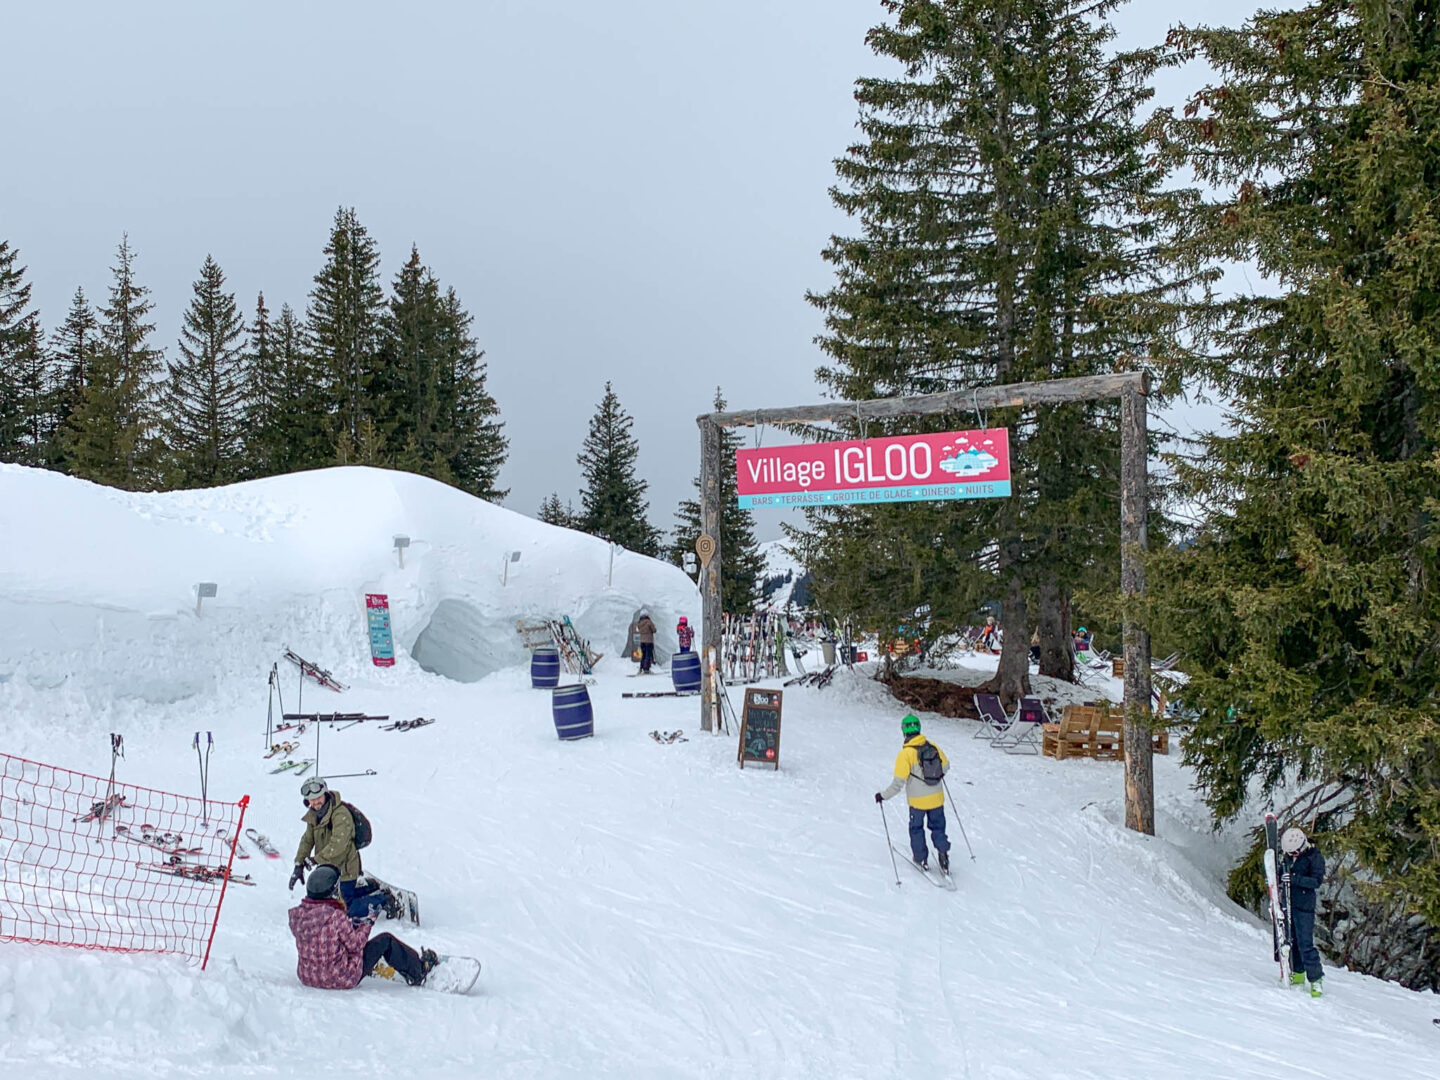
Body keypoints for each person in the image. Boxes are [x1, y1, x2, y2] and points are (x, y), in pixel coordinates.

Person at [288, 864, 437, 989]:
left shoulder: (299, 916)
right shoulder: (334, 916)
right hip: (339, 979)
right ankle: (419, 971)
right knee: (386, 941)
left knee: (343, 940)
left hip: (308, 977)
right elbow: (355, 945)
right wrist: (368, 922)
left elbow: (323, 937)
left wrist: (351, 925)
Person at [290, 776, 389, 920]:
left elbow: (339, 844)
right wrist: (299, 864)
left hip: (345, 868)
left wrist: (316, 859)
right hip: (327, 869)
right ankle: (370, 887)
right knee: (328, 902)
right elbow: (307, 840)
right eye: (311, 799)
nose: (316, 802)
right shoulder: (313, 815)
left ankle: (385, 900)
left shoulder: (340, 814)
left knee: (344, 910)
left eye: (318, 797)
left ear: (325, 793)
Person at [875, 715, 951, 872]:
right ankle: (943, 854)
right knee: (938, 827)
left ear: (904, 731)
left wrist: (883, 795)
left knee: (916, 828)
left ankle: (921, 859)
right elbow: (946, 766)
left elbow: (898, 783)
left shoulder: (905, 754)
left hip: (917, 802)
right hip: (937, 798)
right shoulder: (932, 746)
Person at [1281, 826, 1326, 996]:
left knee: (1305, 943)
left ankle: (1315, 979)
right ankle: (1297, 973)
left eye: (1293, 853)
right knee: (1291, 940)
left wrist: (1294, 879)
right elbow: (1282, 873)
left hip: (1304, 905)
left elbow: (1315, 881)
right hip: (1289, 902)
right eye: (1289, 853)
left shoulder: (1314, 857)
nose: (1291, 856)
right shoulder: (1288, 856)